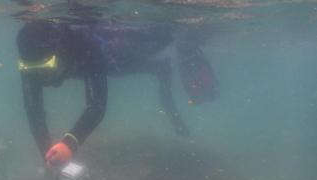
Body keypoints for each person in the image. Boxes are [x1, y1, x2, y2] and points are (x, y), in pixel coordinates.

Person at [16, 19, 216, 168]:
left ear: (59, 54)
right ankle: (159, 67)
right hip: (111, 64)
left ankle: (181, 49)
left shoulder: (84, 46)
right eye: (32, 70)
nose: (43, 79)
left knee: (167, 35)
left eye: (47, 68)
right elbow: (33, 110)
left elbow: (97, 106)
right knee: (145, 66)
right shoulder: (32, 60)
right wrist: (47, 153)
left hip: (121, 49)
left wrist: (70, 144)